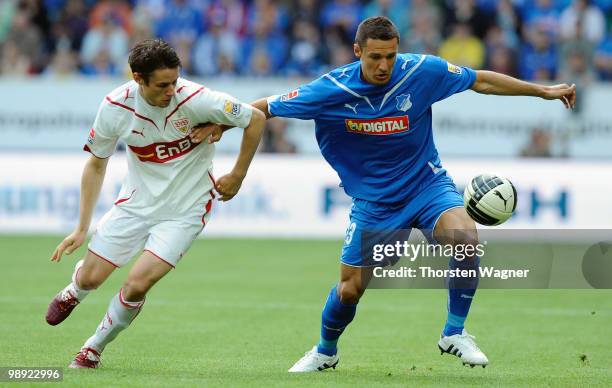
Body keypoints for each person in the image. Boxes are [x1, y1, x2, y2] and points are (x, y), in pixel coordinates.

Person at [191, 16, 576, 372]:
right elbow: (265, 107)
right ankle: (325, 351)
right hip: (375, 203)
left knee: (465, 239)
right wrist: (225, 122)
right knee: (350, 290)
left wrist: (541, 91)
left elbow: (481, 80)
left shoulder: (421, 71)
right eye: (375, 57)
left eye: (390, 56)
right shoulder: (333, 88)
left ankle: (454, 332)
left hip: (427, 185)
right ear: (358, 51)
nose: (384, 65)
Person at [45, 38, 265, 368]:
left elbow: (255, 118)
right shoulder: (115, 107)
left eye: (175, 81)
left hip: (185, 210)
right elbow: (96, 163)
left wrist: (237, 173)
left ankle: (93, 347)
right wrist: (80, 228)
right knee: (92, 278)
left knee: (137, 284)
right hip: (135, 204)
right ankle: (76, 289)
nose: (171, 91)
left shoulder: (196, 98)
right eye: (163, 85)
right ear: (138, 79)